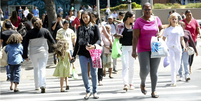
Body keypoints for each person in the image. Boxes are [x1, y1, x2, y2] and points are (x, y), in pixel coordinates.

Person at [132, 2, 163, 98]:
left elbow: (161, 29)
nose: (147, 11)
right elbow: (135, 37)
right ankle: (143, 82)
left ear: (151, 9)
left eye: (149, 9)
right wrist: (134, 50)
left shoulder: (156, 19)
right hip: (143, 49)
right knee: (145, 69)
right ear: (142, 10)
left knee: (154, 71)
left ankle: (154, 91)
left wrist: (160, 34)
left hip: (155, 47)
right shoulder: (138, 21)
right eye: (145, 9)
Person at [71, 11, 101, 100]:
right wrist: (73, 55)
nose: (85, 19)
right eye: (83, 17)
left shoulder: (95, 27)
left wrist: (94, 46)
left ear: (90, 17)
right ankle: (88, 91)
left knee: (94, 73)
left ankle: (95, 91)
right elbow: (77, 43)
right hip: (82, 53)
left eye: (86, 17)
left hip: (93, 52)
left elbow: (99, 39)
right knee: (84, 72)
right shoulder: (79, 28)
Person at [23, 17, 56, 93]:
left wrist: (25, 55)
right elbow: (53, 42)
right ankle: (43, 85)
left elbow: (25, 45)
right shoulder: (45, 31)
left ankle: (37, 86)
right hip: (43, 52)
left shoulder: (29, 33)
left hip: (33, 53)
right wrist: (56, 51)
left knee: (36, 68)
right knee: (42, 68)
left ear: (33, 24)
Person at [163, 13, 187, 87]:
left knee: (178, 64)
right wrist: (163, 47)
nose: (174, 20)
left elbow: (182, 39)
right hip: (170, 48)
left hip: (178, 48)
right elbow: (163, 39)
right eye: (172, 19)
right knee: (173, 64)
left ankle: (175, 75)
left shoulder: (179, 28)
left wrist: (184, 46)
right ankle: (173, 81)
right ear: (170, 20)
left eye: (175, 19)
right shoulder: (167, 29)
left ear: (177, 20)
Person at [115, 11, 135, 91]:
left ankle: (131, 83)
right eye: (133, 17)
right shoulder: (120, 25)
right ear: (128, 18)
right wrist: (118, 36)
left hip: (133, 48)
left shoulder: (134, 26)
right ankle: (125, 83)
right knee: (125, 65)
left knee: (132, 66)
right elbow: (116, 35)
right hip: (123, 47)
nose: (134, 19)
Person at [91, 11, 112, 86]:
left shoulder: (101, 26)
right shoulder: (89, 25)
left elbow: (107, 35)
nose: (92, 18)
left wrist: (111, 41)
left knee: (100, 63)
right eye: (91, 16)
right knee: (92, 63)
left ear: (96, 17)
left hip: (99, 45)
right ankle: (93, 78)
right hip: (91, 46)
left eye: (93, 16)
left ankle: (99, 79)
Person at [183, 10, 201, 74]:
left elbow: (198, 28)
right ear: (185, 15)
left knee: (191, 54)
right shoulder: (182, 22)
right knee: (187, 54)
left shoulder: (195, 21)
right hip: (185, 41)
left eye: (190, 14)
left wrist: (200, 34)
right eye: (187, 15)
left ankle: (190, 67)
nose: (189, 16)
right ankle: (187, 67)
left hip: (193, 40)